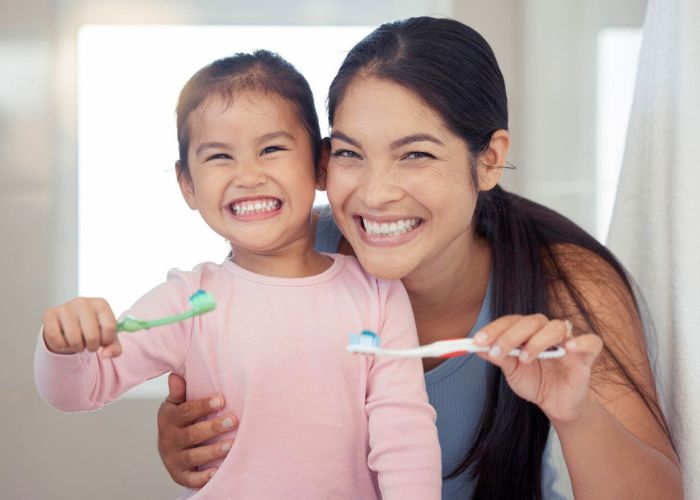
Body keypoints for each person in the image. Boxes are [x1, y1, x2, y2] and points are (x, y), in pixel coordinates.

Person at [156, 17, 683, 500]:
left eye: (416, 154)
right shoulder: (292, 253)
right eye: (349, 153)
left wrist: (577, 414)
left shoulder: (568, 282)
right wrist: (190, 436)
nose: (375, 193)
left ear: (490, 160)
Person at [34, 50, 442, 499]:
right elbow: (80, 391)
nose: (248, 175)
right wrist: (63, 345)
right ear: (187, 184)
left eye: (271, 149)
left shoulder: (377, 293)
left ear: (321, 164)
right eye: (219, 156)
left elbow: (404, 430)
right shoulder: (188, 303)